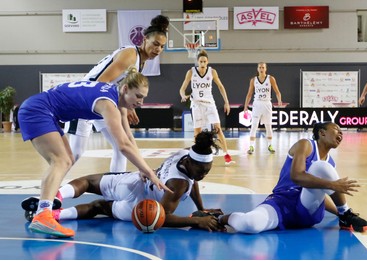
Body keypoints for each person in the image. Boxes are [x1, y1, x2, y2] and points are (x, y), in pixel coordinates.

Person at [18, 67, 171, 238]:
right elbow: (122, 145)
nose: (141, 102)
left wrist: (144, 169)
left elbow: (128, 138)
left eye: (143, 98)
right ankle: (43, 214)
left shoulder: (117, 100)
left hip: (45, 111)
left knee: (67, 159)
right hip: (38, 110)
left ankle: (45, 206)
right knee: (60, 161)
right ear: (125, 89)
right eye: (138, 96)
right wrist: (150, 172)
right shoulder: (108, 104)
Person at [21, 130, 225, 232]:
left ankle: (50, 204)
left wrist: (202, 207)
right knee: (98, 207)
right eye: (201, 169)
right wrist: (197, 219)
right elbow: (163, 218)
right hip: (140, 208)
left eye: (207, 170)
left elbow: (194, 179)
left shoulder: (184, 156)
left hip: (133, 183)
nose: (203, 174)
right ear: (190, 162)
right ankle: (55, 214)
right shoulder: (178, 184)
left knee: (87, 181)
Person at [218, 122, 367, 234]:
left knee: (322, 167)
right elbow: (297, 176)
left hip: (306, 210)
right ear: (322, 133)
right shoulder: (306, 145)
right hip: (282, 201)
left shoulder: (330, 163)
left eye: (342, 132)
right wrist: (332, 185)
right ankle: (219, 218)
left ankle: (345, 214)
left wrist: (337, 208)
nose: (341, 134)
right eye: (336, 129)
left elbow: (319, 195)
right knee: (250, 224)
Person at [64, 15, 169, 172]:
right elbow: (100, 83)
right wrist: (122, 109)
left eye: (161, 46)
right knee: (75, 154)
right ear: (144, 39)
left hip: (101, 101)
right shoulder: (130, 55)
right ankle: (51, 190)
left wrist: (127, 108)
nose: (158, 49)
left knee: (122, 147)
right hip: (84, 98)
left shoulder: (141, 62)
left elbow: (120, 90)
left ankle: (115, 190)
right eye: (155, 44)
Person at [179, 49, 235, 165]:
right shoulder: (191, 72)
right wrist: (183, 95)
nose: (203, 64)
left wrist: (227, 102)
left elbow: (220, 87)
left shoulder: (212, 72)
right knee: (197, 131)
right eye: (201, 61)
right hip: (196, 104)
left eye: (204, 61)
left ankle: (226, 155)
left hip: (209, 104)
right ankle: (196, 155)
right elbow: (182, 88)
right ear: (197, 62)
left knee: (218, 129)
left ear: (208, 62)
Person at [243, 62, 282, 155]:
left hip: (267, 103)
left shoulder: (271, 78)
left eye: (263, 67)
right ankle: (251, 146)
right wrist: (245, 106)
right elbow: (249, 94)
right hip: (257, 104)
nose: (261, 69)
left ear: (265, 69)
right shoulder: (253, 80)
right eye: (260, 67)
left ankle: (270, 145)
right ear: (257, 69)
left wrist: (279, 100)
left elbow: (277, 91)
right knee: (254, 126)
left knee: (268, 126)